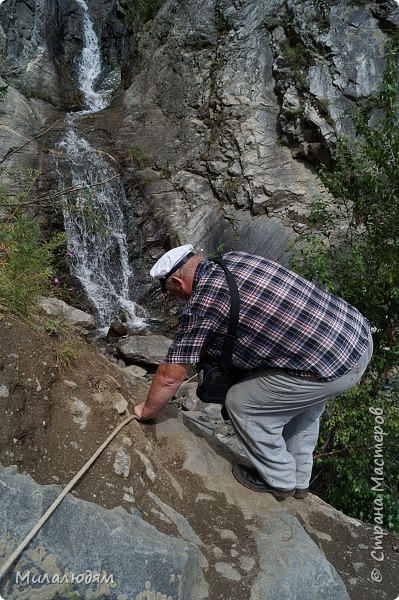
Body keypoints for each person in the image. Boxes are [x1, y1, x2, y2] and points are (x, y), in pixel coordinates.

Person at [134, 244, 373, 500]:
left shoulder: (204, 303)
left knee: (242, 403)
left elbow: (171, 375)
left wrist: (146, 411)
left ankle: (279, 479)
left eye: (168, 291)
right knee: (302, 412)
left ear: (177, 282)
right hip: (354, 338)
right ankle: (301, 481)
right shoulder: (233, 258)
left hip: (329, 367)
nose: (175, 297)